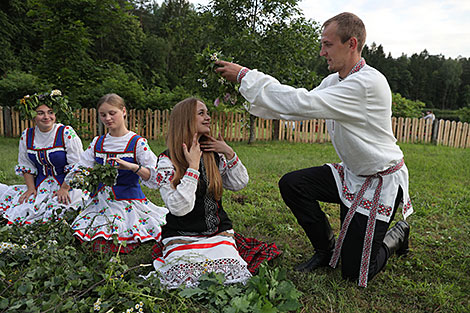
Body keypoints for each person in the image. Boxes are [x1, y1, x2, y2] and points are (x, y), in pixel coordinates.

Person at [215, 12, 413, 287]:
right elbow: (296, 110)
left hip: (379, 181)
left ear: (352, 43)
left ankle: (398, 233)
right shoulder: (335, 81)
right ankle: (325, 248)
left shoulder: (367, 83)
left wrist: (247, 77)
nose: (322, 52)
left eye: (328, 45)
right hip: (352, 174)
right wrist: (242, 92)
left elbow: (303, 103)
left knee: (354, 272)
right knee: (294, 184)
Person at [148, 97, 280, 288]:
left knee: (230, 274)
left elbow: (239, 183)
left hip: (217, 232)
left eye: (208, 112)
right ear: (186, 120)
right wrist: (192, 167)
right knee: (183, 276)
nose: (208, 117)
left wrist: (229, 152)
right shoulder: (167, 160)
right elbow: (178, 208)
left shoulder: (213, 153)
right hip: (181, 233)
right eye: (201, 113)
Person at [65, 93, 168, 253]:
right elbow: (80, 168)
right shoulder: (98, 142)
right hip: (100, 200)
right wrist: (81, 178)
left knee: (117, 232)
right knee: (90, 233)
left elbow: (155, 177)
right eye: (103, 115)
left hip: (128, 199)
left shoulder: (137, 143)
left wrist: (133, 167)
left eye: (112, 113)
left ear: (124, 111)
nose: (107, 118)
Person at [0, 90, 84, 225]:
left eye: (50, 112)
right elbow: (26, 164)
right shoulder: (27, 135)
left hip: (68, 184)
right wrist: (31, 188)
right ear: (33, 116)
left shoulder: (65, 133)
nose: (46, 117)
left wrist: (64, 188)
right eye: (40, 113)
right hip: (40, 184)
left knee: (60, 210)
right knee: (25, 205)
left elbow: (78, 164)